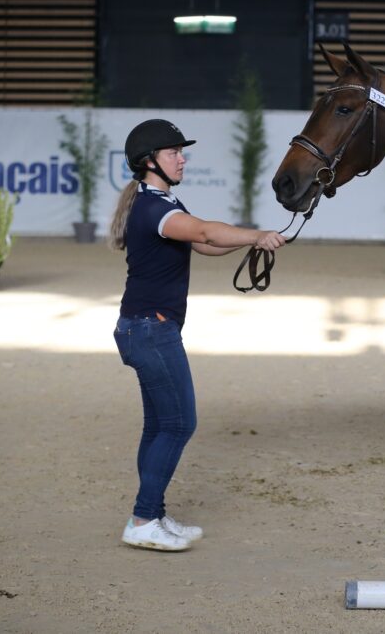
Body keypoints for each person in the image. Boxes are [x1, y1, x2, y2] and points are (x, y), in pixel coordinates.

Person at [109, 119, 285, 551]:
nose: (182, 158)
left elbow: (203, 244)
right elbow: (204, 231)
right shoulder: (154, 209)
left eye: (180, 152)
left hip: (144, 327)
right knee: (179, 423)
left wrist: (252, 241)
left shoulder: (161, 202)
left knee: (159, 425)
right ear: (149, 161)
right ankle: (143, 519)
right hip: (151, 330)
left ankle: (151, 514)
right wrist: (257, 235)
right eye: (172, 153)